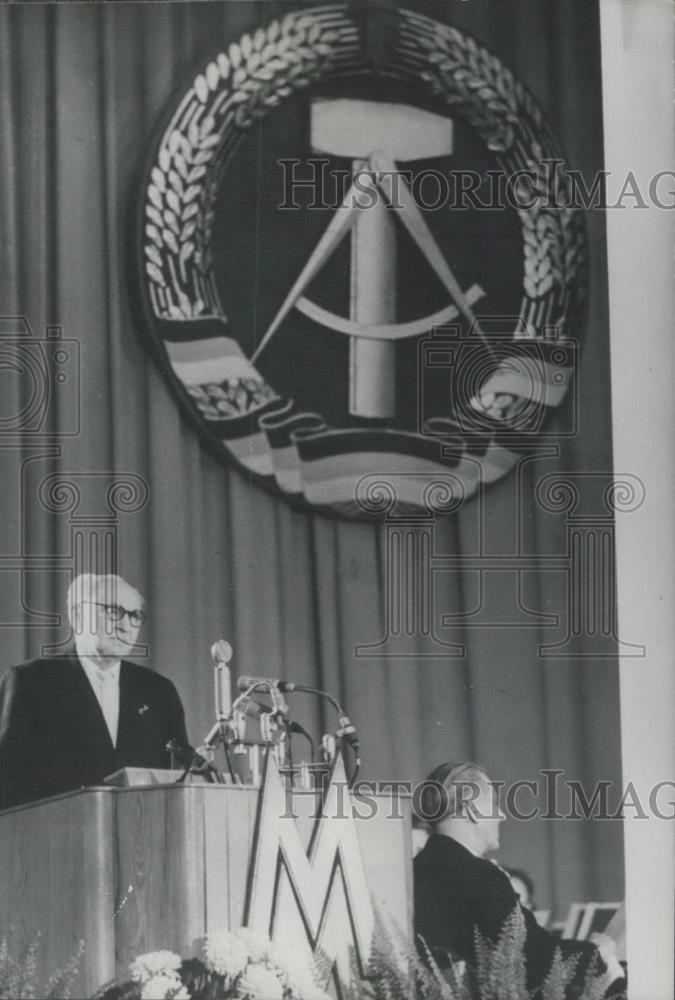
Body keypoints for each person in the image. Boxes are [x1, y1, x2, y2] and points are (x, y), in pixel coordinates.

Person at [413, 760, 625, 995]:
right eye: (494, 805)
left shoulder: (416, 869)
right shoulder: (480, 874)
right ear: (472, 809)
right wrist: (596, 951)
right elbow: (535, 961)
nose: (502, 815)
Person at [0, 573, 188, 810]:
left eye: (135, 616)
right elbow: (7, 785)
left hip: (143, 839)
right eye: (113, 611)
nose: (125, 625)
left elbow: (180, 779)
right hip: (56, 838)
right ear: (78, 616)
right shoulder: (31, 682)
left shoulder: (158, 691)